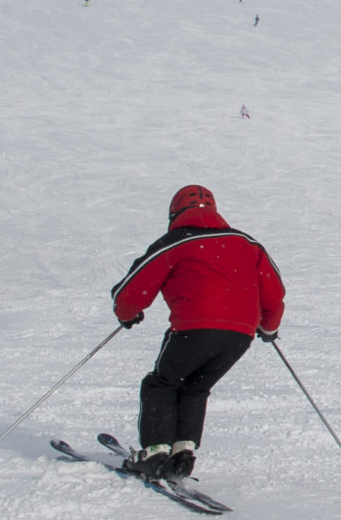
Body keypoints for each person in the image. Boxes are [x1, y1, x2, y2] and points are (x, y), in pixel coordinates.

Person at [110, 184, 285, 482]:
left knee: (161, 384)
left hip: (195, 327)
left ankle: (154, 454)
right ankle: (182, 454)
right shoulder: (248, 243)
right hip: (240, 336)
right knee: (195, 387)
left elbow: (133, 288)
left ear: (174, 214)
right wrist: (268, 327)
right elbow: (274, 291)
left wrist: (127, 314)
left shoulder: (176, 241)